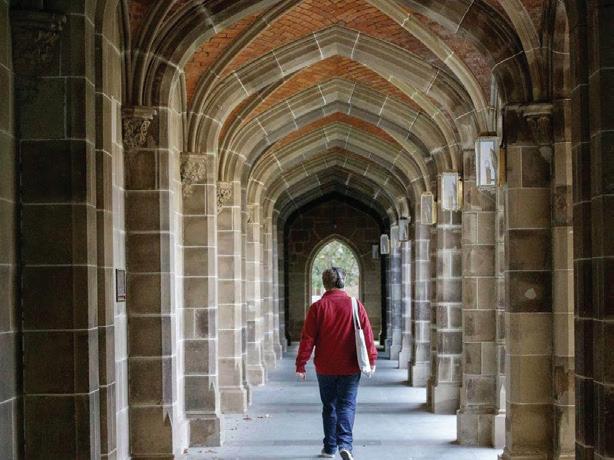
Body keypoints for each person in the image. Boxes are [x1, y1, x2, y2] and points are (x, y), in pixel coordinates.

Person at [295, 267, 378, 460]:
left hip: (325, 367)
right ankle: (345, 445)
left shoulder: (318, 307)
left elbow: (308, 338)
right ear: (342, 282)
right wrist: (372, 358)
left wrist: (301, 364)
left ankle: (330, 447)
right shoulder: (355, 305)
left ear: (325, 284)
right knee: (347, 405)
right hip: (351, 366)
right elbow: (367, 334)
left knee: (329, 406)